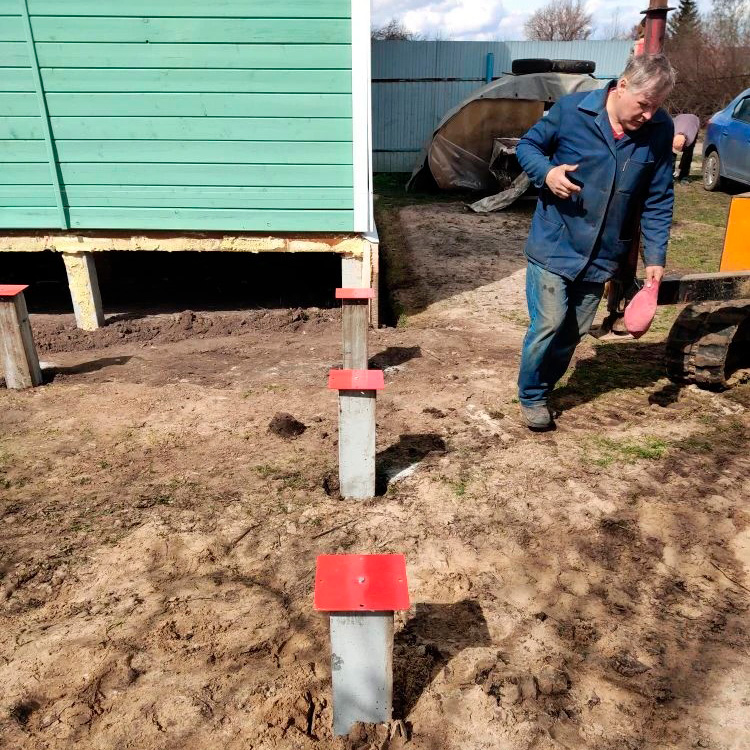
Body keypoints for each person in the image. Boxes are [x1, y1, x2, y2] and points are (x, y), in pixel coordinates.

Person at [514, 53, 676, 430]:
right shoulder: (572, 111)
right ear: (622, 86)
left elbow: (658, 197)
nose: (649, 114)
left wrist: (655, 256)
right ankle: (532, 394)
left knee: (573, 331)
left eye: (656, 107)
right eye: (644, 104)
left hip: (604, 252)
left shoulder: (659, 129)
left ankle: (545, 386)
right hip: (556, 243)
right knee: (549, 323)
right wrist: (547, 173)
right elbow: (527, 147)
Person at [672, 113, 700, 183]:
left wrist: (680, 167)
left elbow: (687, 155)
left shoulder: (690, 139)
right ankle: (670, 176)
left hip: (692, 121)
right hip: (679, 120)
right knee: (671, 155)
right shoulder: (671, 133)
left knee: (687, 155)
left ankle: (683, 177)